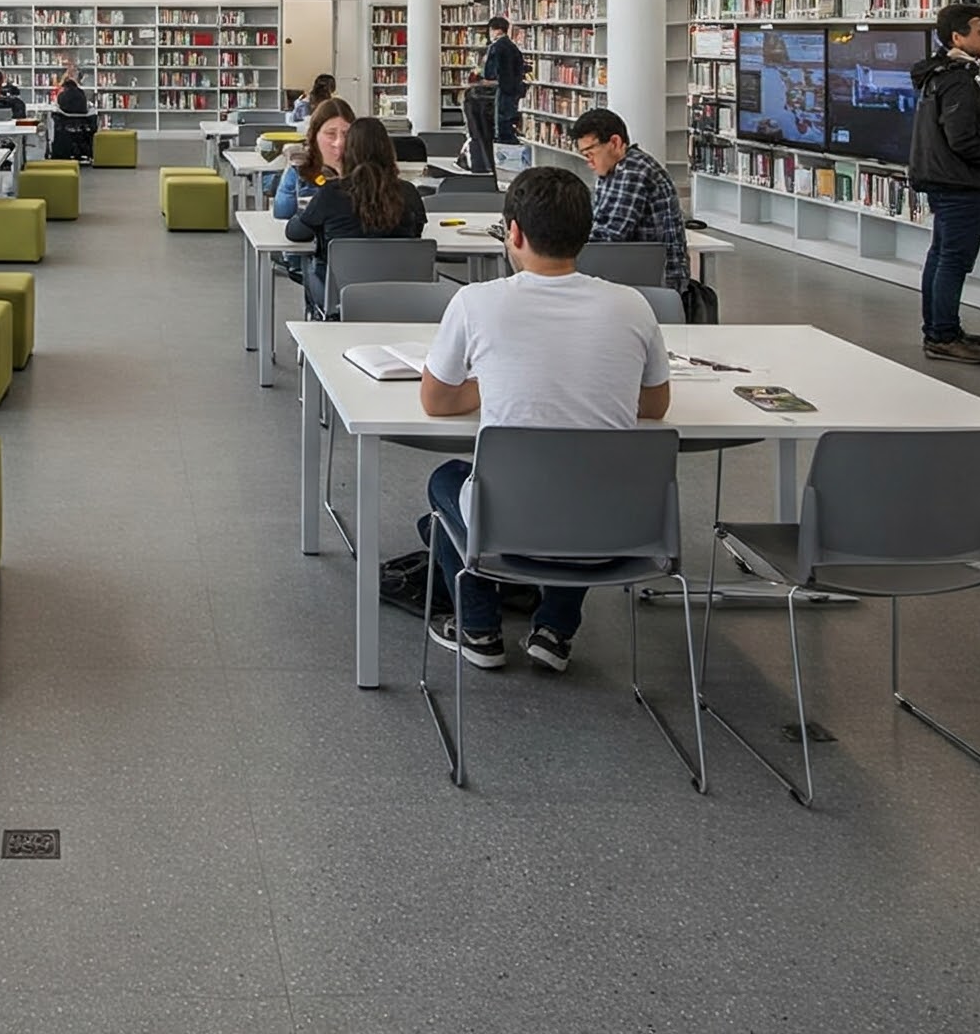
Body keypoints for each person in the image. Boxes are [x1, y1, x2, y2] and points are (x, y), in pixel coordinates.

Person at [418, 166, 671, 673]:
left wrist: (492, 384)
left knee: (446, 482)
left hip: (509, 524)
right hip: (614, 525)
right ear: (586, 232)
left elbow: (436, 402)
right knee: (579, 480)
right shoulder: (633, 306)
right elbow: (654, 406)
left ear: (513, 232)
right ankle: (554, 629)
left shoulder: (476, 302)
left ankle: (479, 629)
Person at [908, 3, 980, 364]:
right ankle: (942, 337)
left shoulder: (938, 74)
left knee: (940, 256)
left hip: (942, 179)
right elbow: (962, 139)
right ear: (957, 37)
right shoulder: (958, 80)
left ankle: (940, 328)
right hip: (960, 183)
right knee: (953, 260)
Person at [284, 115, 428, 316]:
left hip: (341, 295)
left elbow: (296, 233)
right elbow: (416, 234)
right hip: (404, 295)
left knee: (307, 263)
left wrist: (303, 212)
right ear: (388, 151)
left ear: (347, 152)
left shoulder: (331, 193)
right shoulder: (409, 192)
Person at [568, 105, 690, 297]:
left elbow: (608, 236)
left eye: (590, 153)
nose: (588, 162)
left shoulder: (632, 170)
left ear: (615, 142)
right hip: (638, 274)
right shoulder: (614, 169)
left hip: (653, 282)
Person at [271, 95, 356, 221]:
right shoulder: (302, 167)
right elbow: (282, 214)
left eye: (346, 134)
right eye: (331, 134)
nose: (339, 142)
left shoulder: (365, 167)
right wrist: (292, 169)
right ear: (315, 135)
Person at [476, 15, 528, 145]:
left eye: (490, 30)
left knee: (501, 122)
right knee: (510, 121)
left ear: (496, 30)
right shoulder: (513, 47)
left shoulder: (496, 47)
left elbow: (489, 72)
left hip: (502, 89)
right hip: (515, 89)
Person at [50, 62, 93, 160]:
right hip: (82, 121)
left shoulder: (62, 95)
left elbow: (60, 107)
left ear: (65, 87)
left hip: (66, 120)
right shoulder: (82, 93)